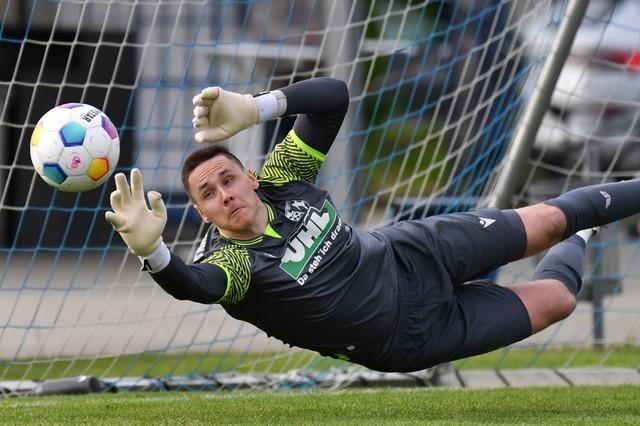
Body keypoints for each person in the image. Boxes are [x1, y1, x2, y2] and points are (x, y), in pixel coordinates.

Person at [105, 77, 634, 373]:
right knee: (558, 302)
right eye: (208, 196)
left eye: (227, 180)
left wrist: (258, 107)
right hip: (408, 337)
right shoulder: (230, 263)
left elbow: (334, 98)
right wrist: (153, 254)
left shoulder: (282, 175)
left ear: (249, 175)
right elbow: (192, 287)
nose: (225, 196)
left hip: (413, 251)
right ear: (202, 213)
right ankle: (586, 237)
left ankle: (584, 222)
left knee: (547, 220)